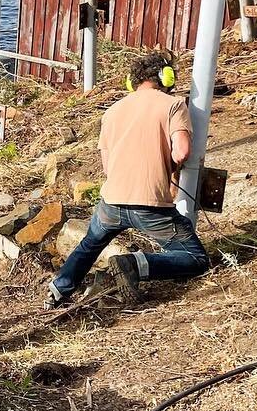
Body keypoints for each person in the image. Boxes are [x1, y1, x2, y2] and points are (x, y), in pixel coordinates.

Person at [46, 51, 210, 308]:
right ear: (165, 77)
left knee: (90, 244)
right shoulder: (173, 105)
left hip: (110, 203)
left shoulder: (112, 112)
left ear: (131, 81)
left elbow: (107, 166)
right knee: (195, 257)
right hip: (151, 206)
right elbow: (182, 151)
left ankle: (58, 289)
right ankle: (135, 264)